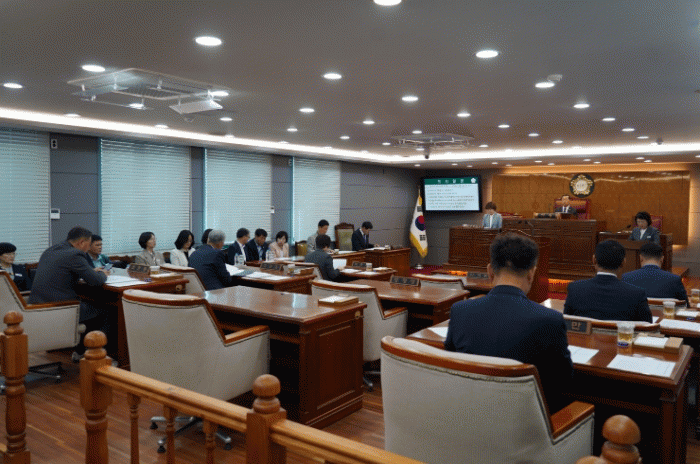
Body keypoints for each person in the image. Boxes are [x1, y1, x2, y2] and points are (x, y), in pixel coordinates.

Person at [444, 233, 572, 413]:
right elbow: (564, 381)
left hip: (469, 414)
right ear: (531, 274)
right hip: (525, 421)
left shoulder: (460, 311)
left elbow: (450, 363)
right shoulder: (550, 320)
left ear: (490, 271)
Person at [28, 227, 111, 355]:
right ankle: (97, 355)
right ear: (81, 243)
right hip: (60, 308)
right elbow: (96, 281)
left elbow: (64, 272)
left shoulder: (51, 250)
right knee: (108, 310)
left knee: (90, 306)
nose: (88, 248)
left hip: (38, 306)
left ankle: (80, 351)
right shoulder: (75, 254)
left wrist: (90, 271)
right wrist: (103, 273)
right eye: (88, 245)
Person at [564, 240, 652, 322]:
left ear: (594, 260)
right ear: (623, 263)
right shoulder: (637, 294)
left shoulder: (575, 289)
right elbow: (647, 328)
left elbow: (566, 324)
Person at [621, 242, 688, 305]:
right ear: (662, 259)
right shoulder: (675, 279)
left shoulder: (626, 278)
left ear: (641, 258)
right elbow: (685, 306)